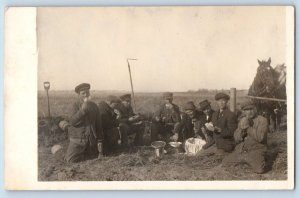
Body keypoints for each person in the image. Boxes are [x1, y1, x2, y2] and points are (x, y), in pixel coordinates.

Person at [222, 100, 269, 173]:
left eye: (251, 109)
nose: (249, 112)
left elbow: (260, 138)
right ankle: (246, 160)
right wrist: (241, 129)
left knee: (259, 170)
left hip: (257, 149)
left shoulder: (262, 120)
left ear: (255, 109)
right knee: (225, 162)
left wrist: (248, 128)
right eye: (246, 110)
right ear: (243, 111)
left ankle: (253, 159)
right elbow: (237, 139)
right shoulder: (242, 120)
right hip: (243, 150)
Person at [65, 83, 103, 163]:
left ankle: (85, 153)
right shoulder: (74, 106)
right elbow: (72, 122)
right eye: (83, 93)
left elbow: (99, 125)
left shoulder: (94, 106)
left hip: (91, 140)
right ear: (78, 95)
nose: (86, 95)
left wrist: (99, 141)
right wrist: (82, 111)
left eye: (87, 92)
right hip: (78, 140)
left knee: (95, 157)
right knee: (70, 160)